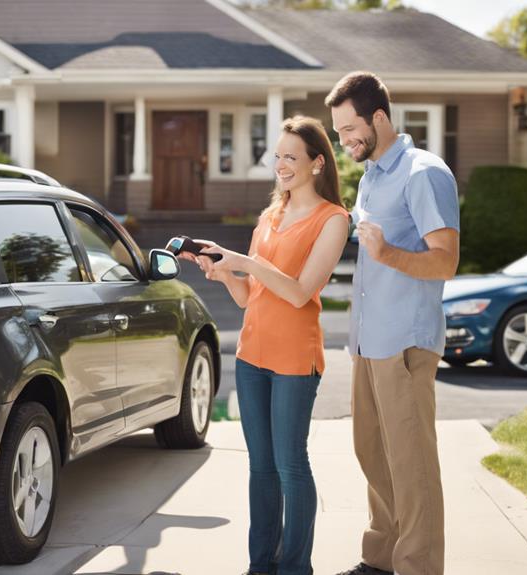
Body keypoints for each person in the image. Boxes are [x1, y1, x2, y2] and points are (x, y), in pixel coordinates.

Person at [180, 115, 349, 575]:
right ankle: (261, 566)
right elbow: (249, 298)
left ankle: (295, 567)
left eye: (291, 157)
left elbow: (298, 292)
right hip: (252, 357)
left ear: (317, 163)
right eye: (277, 156)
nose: (281, 165)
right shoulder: (269, 217)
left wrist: (246, 263)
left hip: (295, 358)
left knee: (291, 464)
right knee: (261, 467)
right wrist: (224, 269)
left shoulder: (333, 220)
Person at [326, 72, 460, 575]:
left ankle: (418, 567)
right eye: (338, 132)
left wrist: (387, 253)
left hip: (405, 341)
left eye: (349, 129)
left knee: (412, 464)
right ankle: (380, 559)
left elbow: (445, 261)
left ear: (379, 117)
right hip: (368, 340)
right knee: (374, 454)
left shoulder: (424, 173)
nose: (345, 141)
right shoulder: (373, 176)